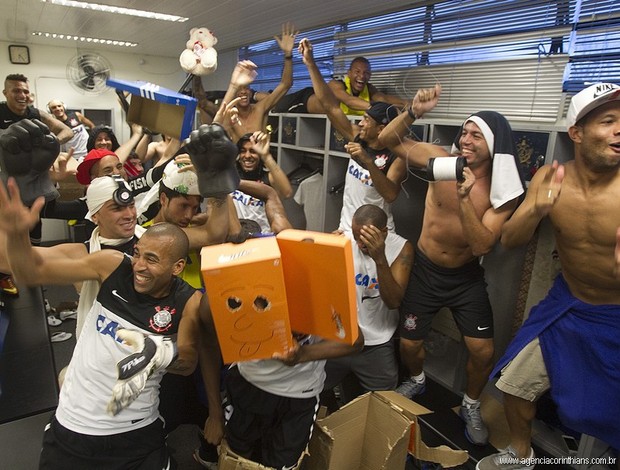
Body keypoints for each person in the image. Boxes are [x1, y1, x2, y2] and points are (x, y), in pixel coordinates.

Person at [0, 180, 223, 468]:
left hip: (136, 431)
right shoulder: (111, 264)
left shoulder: (187, 301)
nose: (139, 265)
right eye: (139, 254)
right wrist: (17, 235)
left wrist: (159, 356)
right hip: (75, 426)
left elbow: (190, 361)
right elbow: (30, 270)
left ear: (177, 267)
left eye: (151, 259)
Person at [476, 83, 620, 469]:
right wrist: (534, 209)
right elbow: (510, 240)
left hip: (615, 314)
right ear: (576, 133)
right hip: (568, 304)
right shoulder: (550, 177)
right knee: (513, 386)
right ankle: (521, 453)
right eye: (609, 121)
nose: (619, 130)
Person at [377, 85, 525, 446]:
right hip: (426, 270)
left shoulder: (501, 190)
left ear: (494, 146)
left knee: (482, 351)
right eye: (465, 132)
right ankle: (417, 379)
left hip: (465, 278)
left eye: (477, 135)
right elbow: (387, 140)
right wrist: (413, 111)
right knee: (409, 346)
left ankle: (471, 403)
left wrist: (463, 198)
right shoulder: (442, 159)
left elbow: (482, 244)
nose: (467, 139)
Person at [298, 38, 407, 233]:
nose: (360, 123)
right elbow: (330, 105)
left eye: (366, 120)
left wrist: (367, 162)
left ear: (381, 129)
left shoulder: (396, 155)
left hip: (378, 233)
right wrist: (310, 63)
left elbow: (390, 194)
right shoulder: (357, 136)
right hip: (347, 229)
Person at [221, 320, 363, 468]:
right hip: (251, 380)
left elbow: (355, 341)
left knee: (282, 462)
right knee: (237, 454)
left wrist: (302, 354)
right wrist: (214, 412)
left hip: (299, 391)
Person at [324, 204, 413, 403]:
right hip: (340, 336)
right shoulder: (344, 240)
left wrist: (380, 258)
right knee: (312, 387)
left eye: (365, 238)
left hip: (376, 343)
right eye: (356, 237)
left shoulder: (401, 248)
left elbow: (393, 301)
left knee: (385, 403)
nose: (359, 244)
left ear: (384, 232)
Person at [220, 23, 298, 142]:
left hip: (260, 158)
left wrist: (288, 54)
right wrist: (233, 85)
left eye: (246, 88)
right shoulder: (230, 115)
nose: (243, 92)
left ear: (251, 92)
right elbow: (217, 123)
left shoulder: (260, 108)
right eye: (239, 89)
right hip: (238, 159)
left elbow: (286, 84)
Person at [273, 56, 408, 115]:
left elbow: (384, 99)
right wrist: (385, 110)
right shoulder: (336, 85)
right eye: (357, 72)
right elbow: (349, 101)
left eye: (366, 73)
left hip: (321, 115)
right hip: (302, 102)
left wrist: (415, 105)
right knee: (273, 103)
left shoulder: (370, 89)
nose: (362, 76)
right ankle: (255, 95)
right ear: (349, 73)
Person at [231, 130, 293, 233]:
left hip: (262, 238)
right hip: (236, 237)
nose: (247, 156)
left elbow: (287, 192)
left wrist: (266, 155)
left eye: (253, 151)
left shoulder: (268, 178)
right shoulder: (231, 176)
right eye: (243, 151)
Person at [1, 74, 73, 144]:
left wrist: (51, 144)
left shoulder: (36, 114)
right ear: (5, 93)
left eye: (26, 92)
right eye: (16, 91)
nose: (22, 96)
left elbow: (68, 131)